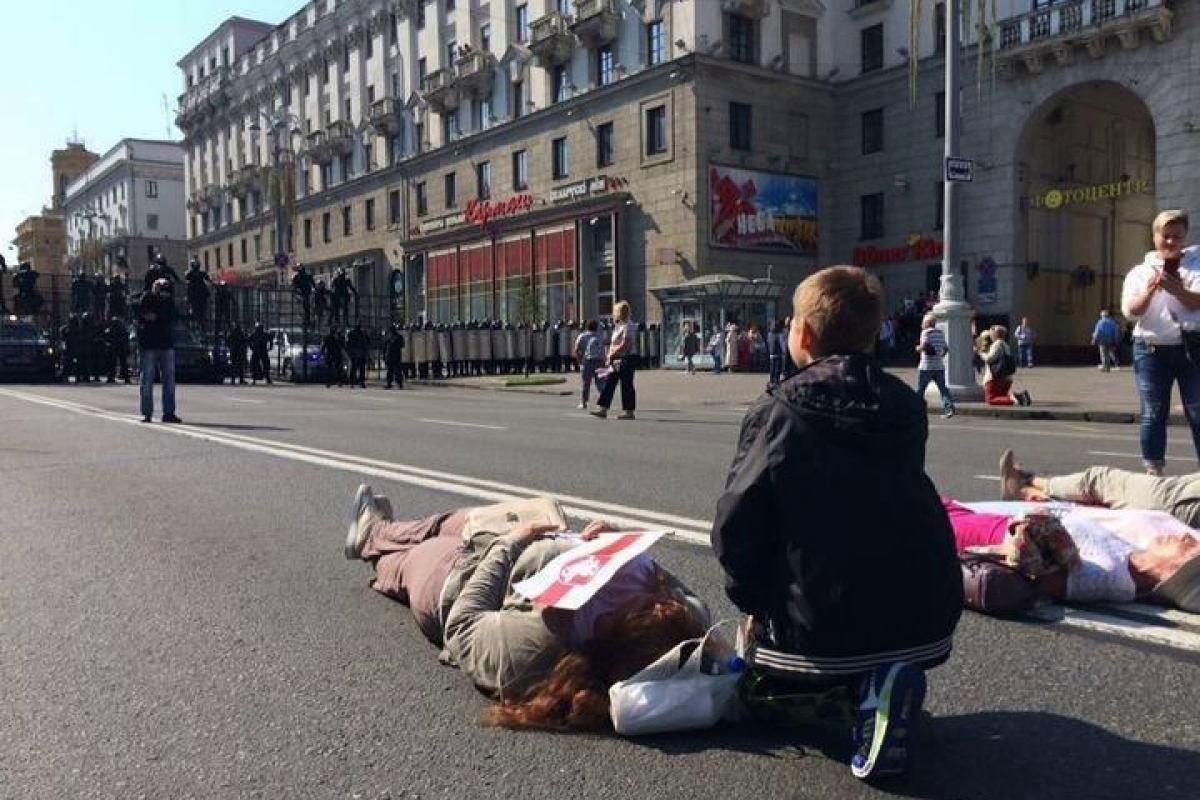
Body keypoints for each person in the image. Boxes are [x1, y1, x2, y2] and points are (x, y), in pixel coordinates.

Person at [710, 265, 963, 781]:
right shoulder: (906, 405)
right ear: (873, 335)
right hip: (927, 615)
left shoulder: (779, 409)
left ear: (799, 334)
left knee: (756, 694)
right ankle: (881, 680)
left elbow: (736, 527)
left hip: (823, 625)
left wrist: (754, 604)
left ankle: (861, 707)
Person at [343, 487, 711, 728]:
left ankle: (373, 536)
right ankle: (389, 529)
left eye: (634, 602)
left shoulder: (544, 644)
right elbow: (688, 598)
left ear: (609, 634)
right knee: (453, 521)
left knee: (410, 557)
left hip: (455, 578)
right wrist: (615, 543)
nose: (645, 590)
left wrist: (509, 547)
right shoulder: (675, 615)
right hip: (534, 542)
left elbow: (462, 626)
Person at [944, 498, 1200, 612]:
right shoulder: (1128, 560)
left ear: (1178, 568)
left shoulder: (1105, 578)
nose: (1186, 537)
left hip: (985, 534)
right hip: (991, 522)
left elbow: (1037, 578)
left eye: (1191, 547)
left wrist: (1033, 529)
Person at [1121, 209, 1200, 476]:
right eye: (1165, 235)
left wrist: (1176, 289)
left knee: (1198, 412)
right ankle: (1154, 472)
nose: (1170, 241)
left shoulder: (1197, 263)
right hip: (1151, 350)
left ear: (1184, 237)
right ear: (1155, 237)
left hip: (1193, 348)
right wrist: (1151, 289)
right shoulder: (1139, 272)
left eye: (1177, 236)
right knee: (1153, 414)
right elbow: (1131, 312)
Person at [999, 448, 1200, 528]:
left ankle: (1027, 483)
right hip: (1187, 498)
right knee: (1103, 503)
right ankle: (1031, 488)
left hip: (1181, 502)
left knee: (1099, 479)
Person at [136, 279, 181, 423]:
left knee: (169, 380)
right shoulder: (147, 298)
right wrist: (156, 317)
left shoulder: (169, 302)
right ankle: (147, 412)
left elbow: (171, 317)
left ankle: (169, 412)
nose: (164, 293)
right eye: (161, 289)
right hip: (150, 344)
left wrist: (157, 317)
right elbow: (142, 314)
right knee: (148, 379)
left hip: (166, 344)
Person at [589, 301, 639, 420]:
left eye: (615, 311)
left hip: (626, 358)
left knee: (626, 385)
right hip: (616, 358)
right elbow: (614, 343)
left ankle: (629, 411)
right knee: (609, 382)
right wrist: (610, 355)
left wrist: (613, 353)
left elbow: (626, 343)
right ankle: (603, 408)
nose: (613, 314)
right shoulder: (618, 326)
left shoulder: (629, 325)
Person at [915, 313, 956, 419]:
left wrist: (918, 348)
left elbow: (923, 346)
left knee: (921, 389)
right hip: (939, 366)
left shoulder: (925, 332)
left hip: (926, 366)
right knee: (943, 388)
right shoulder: (940, 332)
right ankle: (949, 408)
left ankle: (916, 409)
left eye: (923, 322)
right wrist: (939, 356)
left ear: (927, 323)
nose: (922, 324)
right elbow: (946, 349)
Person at [981, 325, 1031, 407]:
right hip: (1006, 378)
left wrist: (982, 354)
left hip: (995, 378)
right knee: (1001, 397)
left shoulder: (997, 344)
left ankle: (1014, 398)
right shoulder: (1005, 345)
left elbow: (990, 358)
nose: (990, 336)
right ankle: (1020, 396)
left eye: (991, 333)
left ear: (995, 334)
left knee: (990, 399)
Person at [573, 319, 606, 409]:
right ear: (596, 327)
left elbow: (576, 350)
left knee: (586, 383)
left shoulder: (582, 336)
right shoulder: (600, 336)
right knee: (601, 383)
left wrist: (580, 362)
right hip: (600, 361)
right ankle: (603, 403)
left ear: (587, 327)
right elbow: (604, 348)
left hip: (587, 361)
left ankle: (584, 403)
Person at [185, 259, 212, 329]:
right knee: (198, 310)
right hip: (197, 294)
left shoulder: (196, 273)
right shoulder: (192, 273)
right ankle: (199, 324)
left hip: (197, 295)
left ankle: (200, 324)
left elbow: (208, 279)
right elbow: (208, 279)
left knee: (200, 310)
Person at [103, 316, 130, 384]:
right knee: (121, 364)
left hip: (116, 348)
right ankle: (125, 378)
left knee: (114, 364)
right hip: (118, 348)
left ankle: (112, 377)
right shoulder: (123, 330)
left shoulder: (110, 330)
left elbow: (107, 340)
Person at [346, 322, 370, 388]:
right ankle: (357, 382)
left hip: (358, 354)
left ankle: (354, 382)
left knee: (356, 369)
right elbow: (367, 342)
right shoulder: (362, 334)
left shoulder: (360, 334)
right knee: (358, 369)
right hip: (358, 353)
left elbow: (349, 344)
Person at [384, 323, 406, 389]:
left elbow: (402, 345)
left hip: (396, 356)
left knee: (397, 371)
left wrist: (395, 345)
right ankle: (389, 383)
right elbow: (385, 346)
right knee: (389, 371)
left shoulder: (399, 337)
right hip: (389, 356)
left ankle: (399, 384)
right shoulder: (388, 337)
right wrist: (384, 356)